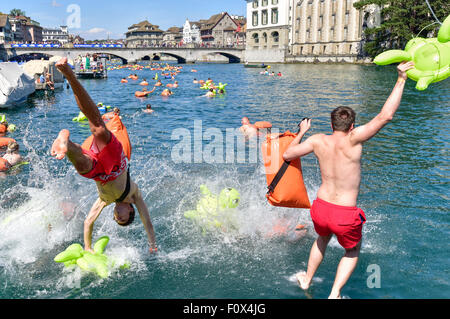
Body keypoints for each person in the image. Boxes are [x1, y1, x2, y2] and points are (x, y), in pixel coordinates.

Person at [282, 61, 415, 299]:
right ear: (352, 126)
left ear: (332, 124)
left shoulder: (317, 140)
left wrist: (302, 131)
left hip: (321, 208)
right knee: (352, 249)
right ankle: (335, 293)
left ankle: (307, 279)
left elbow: (287, 154)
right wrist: (401, 79)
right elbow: (386, 116)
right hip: (344, 212)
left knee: (322, 239)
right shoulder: (354, 139)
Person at [50, 57, 158, 254]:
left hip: (98, 171)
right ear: (131, 210)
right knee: (98, 128)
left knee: (83, 166)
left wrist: (88, 248)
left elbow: (88, 221)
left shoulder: (104, 201)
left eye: (117, 218)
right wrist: (152, 245)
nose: (118, 215)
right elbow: (148, 222)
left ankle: (66, 140)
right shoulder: (135, 196)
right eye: (123, 217)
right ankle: (70, 76)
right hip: (116, 161)